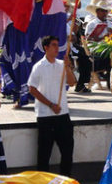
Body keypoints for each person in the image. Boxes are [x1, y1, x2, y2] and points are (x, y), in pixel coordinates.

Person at [28, 36, 77, 176]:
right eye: (53, 45)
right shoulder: (39, 67)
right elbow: (32, 89)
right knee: (44, 153)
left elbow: (73, 82)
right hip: (45, 116)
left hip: (63, 115)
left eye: (57, 45)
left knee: (67, 150)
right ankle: (43, 183)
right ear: (46, 47)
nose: (57, 48)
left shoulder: (62, 64)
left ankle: (65, 179)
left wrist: (67, 67)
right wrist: (50, 104)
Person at [85, 0, 112, 89]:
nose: (105, 13)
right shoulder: (91, 24)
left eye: (106, 11)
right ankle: (109, 80)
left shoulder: (110, 23)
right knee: (109, 57)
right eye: (103, 11)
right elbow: (88, 39)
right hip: (96, 48)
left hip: (108, 47)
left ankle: (111, 82)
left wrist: (111, 34)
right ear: (97, 12)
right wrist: (102, 37)